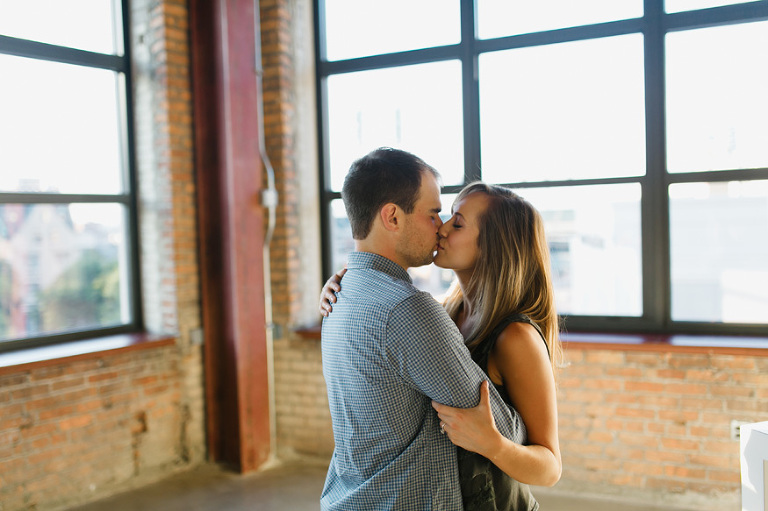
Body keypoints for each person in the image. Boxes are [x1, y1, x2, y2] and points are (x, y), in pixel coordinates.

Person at [321, 181, 562, 510]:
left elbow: (550, 468)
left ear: (494, 245)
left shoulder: (516, 337)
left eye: (457, 223)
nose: (442, 228)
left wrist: (493, 444)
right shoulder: (447, 312)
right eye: (446, 216)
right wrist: (346, 288)